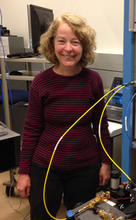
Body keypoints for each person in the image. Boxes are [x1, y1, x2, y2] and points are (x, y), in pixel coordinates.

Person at [16, 13, 111, 220]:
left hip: (85, 167)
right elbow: (31, 129)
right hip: (45, 166)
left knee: (82, 216)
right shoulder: (41, 83)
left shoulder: (93, 80)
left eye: (75, 42)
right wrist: (24, 172)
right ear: (52, 44)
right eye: (61, 41)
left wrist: (106, 163)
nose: (68, 48)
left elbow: (101, 126)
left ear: (84, 46)